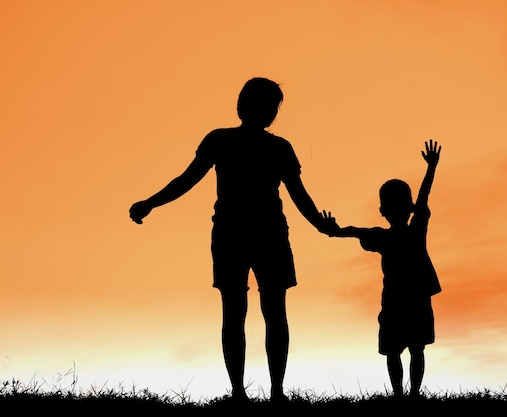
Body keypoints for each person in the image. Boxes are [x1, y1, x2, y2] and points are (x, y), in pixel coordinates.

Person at [129, 77, 331, 402]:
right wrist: (151, 202)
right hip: (236, 235)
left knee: (264, 312)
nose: (267, 112)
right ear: (245, 107)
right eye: (264, 105)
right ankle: (245, 392)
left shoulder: (275, 147)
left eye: (271, 106)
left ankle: (270, 391)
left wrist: (321, 224)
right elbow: (187, 179)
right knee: (242, 312)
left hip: (260, 234)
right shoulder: (226, 142)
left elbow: (298, 194)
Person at [321, 139, 442, 398]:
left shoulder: (388, 236)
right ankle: (409, 395)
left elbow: (354, 231)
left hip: (399, 300)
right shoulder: (412, 231)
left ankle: (403, 394)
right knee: (411, 348)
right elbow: (355, 231)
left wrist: (334, 231)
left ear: (382, 210)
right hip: (411, 299)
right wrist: (431, 168)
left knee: (397, 349)